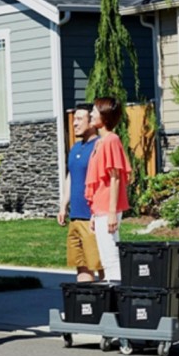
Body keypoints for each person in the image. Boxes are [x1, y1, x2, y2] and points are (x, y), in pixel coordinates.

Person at [85, 97, 131, 282]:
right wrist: (94, 214)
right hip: (101, 208)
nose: (91, 114)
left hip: (108, 207)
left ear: (104, 116)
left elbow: (115, 177)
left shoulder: (111, 140)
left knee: (111, 255)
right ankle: (112, 293)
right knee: (105, 255)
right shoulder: (99, 142)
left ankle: (116, 295)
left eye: (94, 111)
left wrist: (112, 212)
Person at [58, 104, 104, 282]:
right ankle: (87, 305)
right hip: (75, 217)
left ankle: (109, 306)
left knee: (100, 265)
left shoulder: (99, 146)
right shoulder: (76, 148)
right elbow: (71, 176)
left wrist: (96, 212)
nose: (74, 123)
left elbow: (103, 181)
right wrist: (64, 205)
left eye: (79, 119)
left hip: (91, 218)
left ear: (91, 122)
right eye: (74, 119)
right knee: (82, 266)